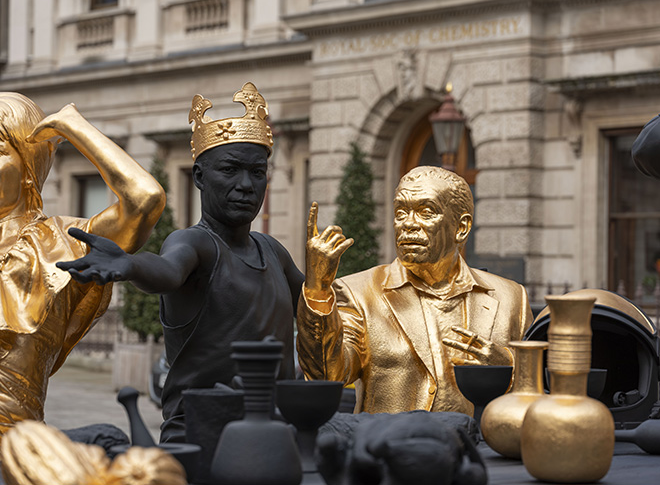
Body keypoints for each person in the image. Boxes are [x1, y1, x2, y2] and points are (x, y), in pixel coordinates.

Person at [56, 83, 304, 443]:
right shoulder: (195, 243)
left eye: (258, 171)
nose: (247, 185)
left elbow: (318, 306)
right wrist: (131, 264)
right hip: (201, 438)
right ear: (199, 178)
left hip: (279, 431)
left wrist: (330, 280)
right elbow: (168, 270)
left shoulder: (274, 252)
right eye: (231, 170)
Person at [297, 165, 533, 415]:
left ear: (461, 227)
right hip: (389, 449)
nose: (408, 224)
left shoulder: (511, 298)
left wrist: (508, 367)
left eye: (426, 211)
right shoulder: (358, 292)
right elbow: (326, 377)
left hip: (480, 452)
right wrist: (318, 291)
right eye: (401, 212)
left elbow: (537, 391)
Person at [0, 92, 165, 436]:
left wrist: (75, 128)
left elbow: (144, 200)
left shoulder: (60, 241)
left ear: (28, 167)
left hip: (15, 442)